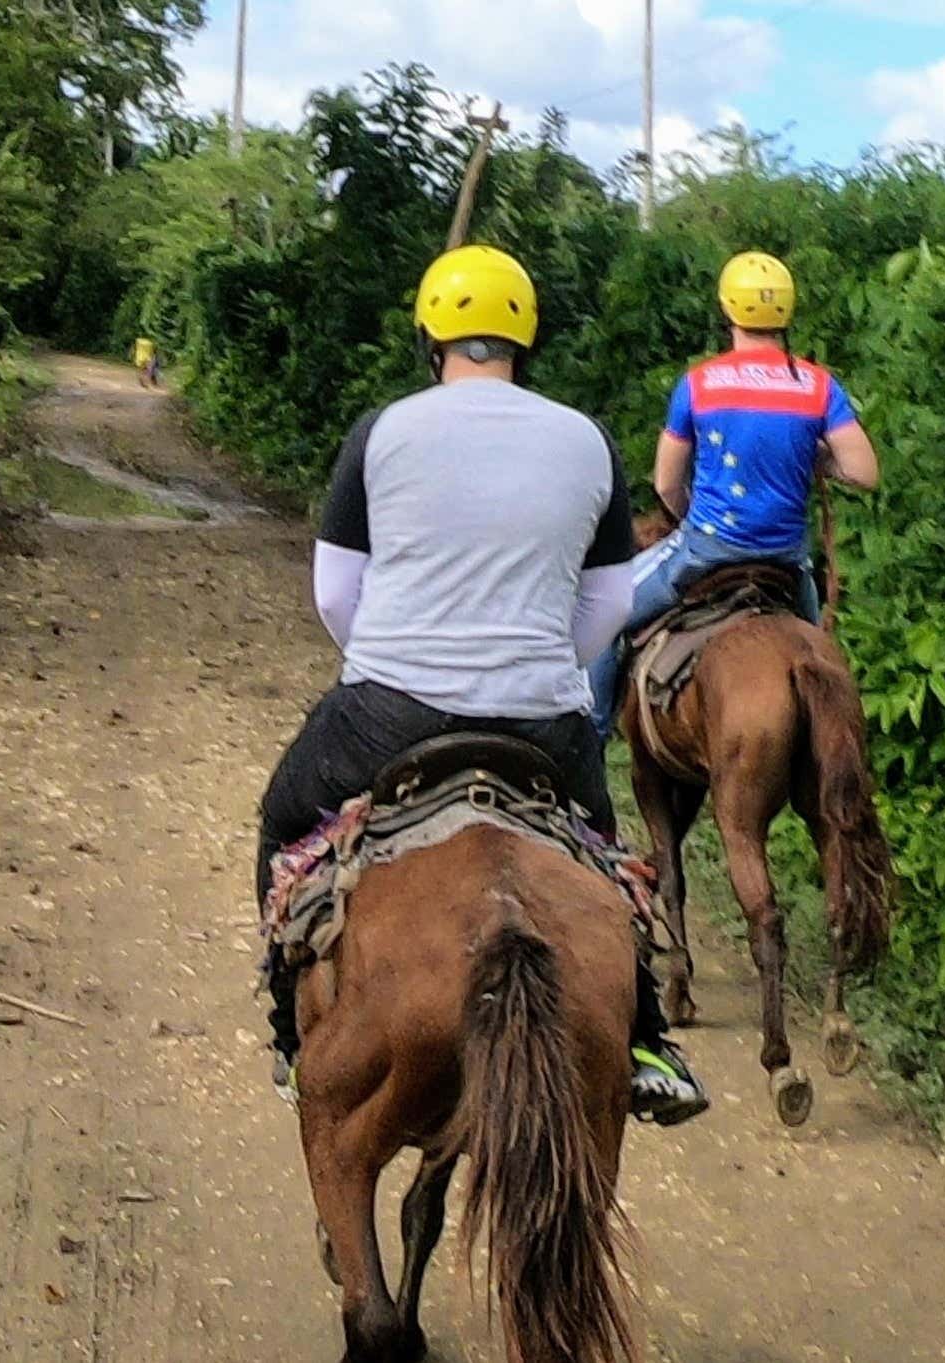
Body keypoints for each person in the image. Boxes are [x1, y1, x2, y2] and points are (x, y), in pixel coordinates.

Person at [257, 244, 708, 1126]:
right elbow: (610, 599)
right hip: (541, 722)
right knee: (606, 859)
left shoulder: (381, 431)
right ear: (524, 341)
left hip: (387, 713)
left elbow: (334, 593)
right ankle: (647, 1034)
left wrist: (390, 656)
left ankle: (286, 1032)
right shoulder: (584, 439)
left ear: (431, 336)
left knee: (282, 819)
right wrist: (537, 660)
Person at [588, 251, 882, 737]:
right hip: (787, 563)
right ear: (786, 313)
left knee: (600, 614)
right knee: (817, 653)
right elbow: (864, 471)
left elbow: (665, 482)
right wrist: (816, 457)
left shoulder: (698, 385)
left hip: (707, 551)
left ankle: (591, 743)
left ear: (727, 309)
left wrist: (688, 519)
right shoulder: (819, 386)